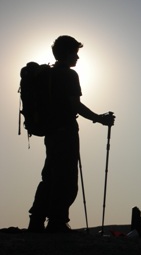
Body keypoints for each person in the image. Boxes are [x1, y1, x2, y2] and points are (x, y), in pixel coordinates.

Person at [28, 35, 115, 233]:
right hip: (65, 132)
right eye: (75, 53)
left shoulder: (48, 74)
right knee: (65, 178)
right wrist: (100, 119)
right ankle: (57, 222)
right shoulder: (68, 75)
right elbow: (75, 105)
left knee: (50, 175)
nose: (77, 57)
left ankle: (37, 220)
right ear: (67, 53)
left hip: (51, 133)